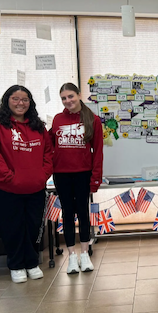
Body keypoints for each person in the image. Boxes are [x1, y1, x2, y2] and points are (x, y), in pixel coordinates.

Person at [0, 86, 52, 283]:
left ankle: (31, 262)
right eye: (15, 98)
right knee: (12, 227)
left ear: (30, 103)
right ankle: (16, 265)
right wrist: (9, 177)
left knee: (32, 226)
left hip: (35, 187)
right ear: (7, 100)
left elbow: (48, 153)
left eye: (25, 99)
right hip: (4, 189)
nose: (20, 103)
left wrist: (42, 176)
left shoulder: (38, 127)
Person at [51, 83, 103, 274]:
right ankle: (71, 255)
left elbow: (98, 152)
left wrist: (96, 178)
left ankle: (84, 253)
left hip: (83, 173)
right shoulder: (57, 119)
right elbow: (49, 145)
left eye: (71, 96)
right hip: (61, 174)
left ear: (79, 95)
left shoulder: (93, 120)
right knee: (67, 212)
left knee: (83, 212)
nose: (68, 101)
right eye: (64, 98)